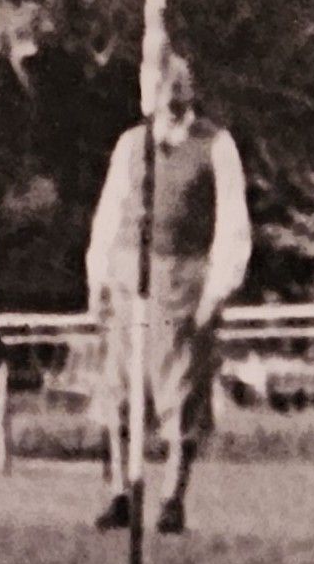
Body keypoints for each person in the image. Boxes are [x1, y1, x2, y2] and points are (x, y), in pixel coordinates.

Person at [87, 54, 253, 537]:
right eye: (162, 87)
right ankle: (120, 493)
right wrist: (98, 278)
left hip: (183, 279)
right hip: (128, 274)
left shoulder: (216, 145)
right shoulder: (131, 144)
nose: (172, 96)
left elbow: (232, 221)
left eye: (179, 86)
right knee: (118, 390)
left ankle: (171, 499)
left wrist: (217, 290)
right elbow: (110, 212)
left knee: (180, 391)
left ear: (190, 90)